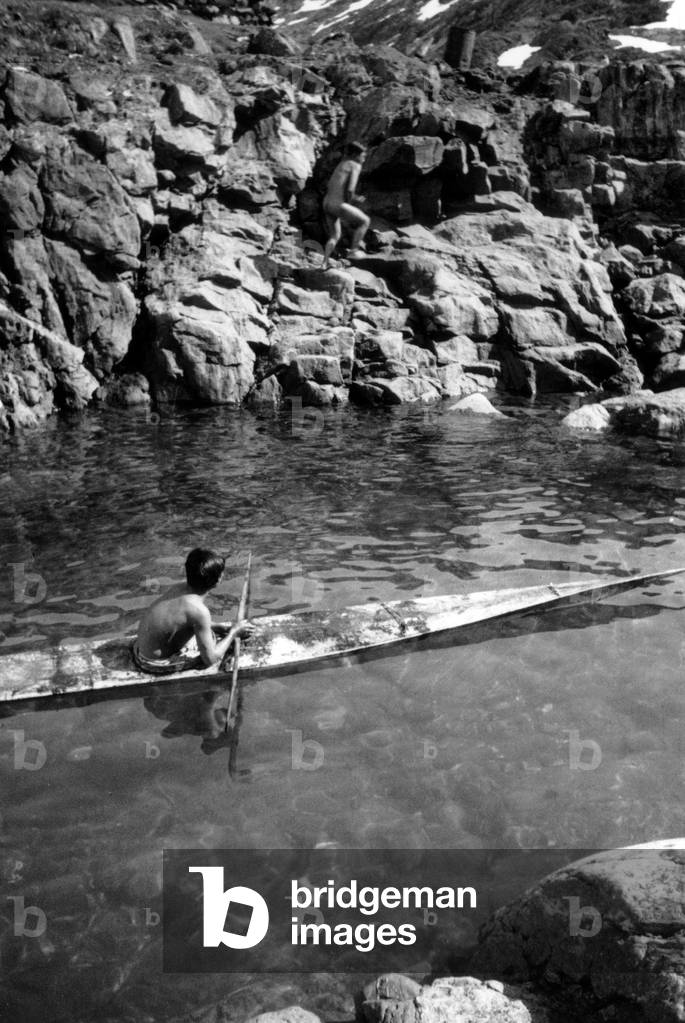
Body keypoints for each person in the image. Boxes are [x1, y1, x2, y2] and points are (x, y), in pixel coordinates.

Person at [133, 548, 253, 675]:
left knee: (209, 635)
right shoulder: (199, 611)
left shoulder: (178, 588)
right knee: (215, 654)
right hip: (154, 663)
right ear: (218, 580)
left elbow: (183, 621)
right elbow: (210, 659)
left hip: (141, 649)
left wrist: (222, 628)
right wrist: (233, 633)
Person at [322, 141, 370, 269]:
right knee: (365, 221)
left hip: (326, 203)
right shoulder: (355, 165)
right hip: (337, 205)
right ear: (356, 155)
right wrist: (355, 200)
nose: (364, 158)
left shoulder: (342, 164)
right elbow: (350, 189)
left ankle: (324, 263)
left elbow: (331, 185)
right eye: (363, 155)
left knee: (335, 235)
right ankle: (353, 250)